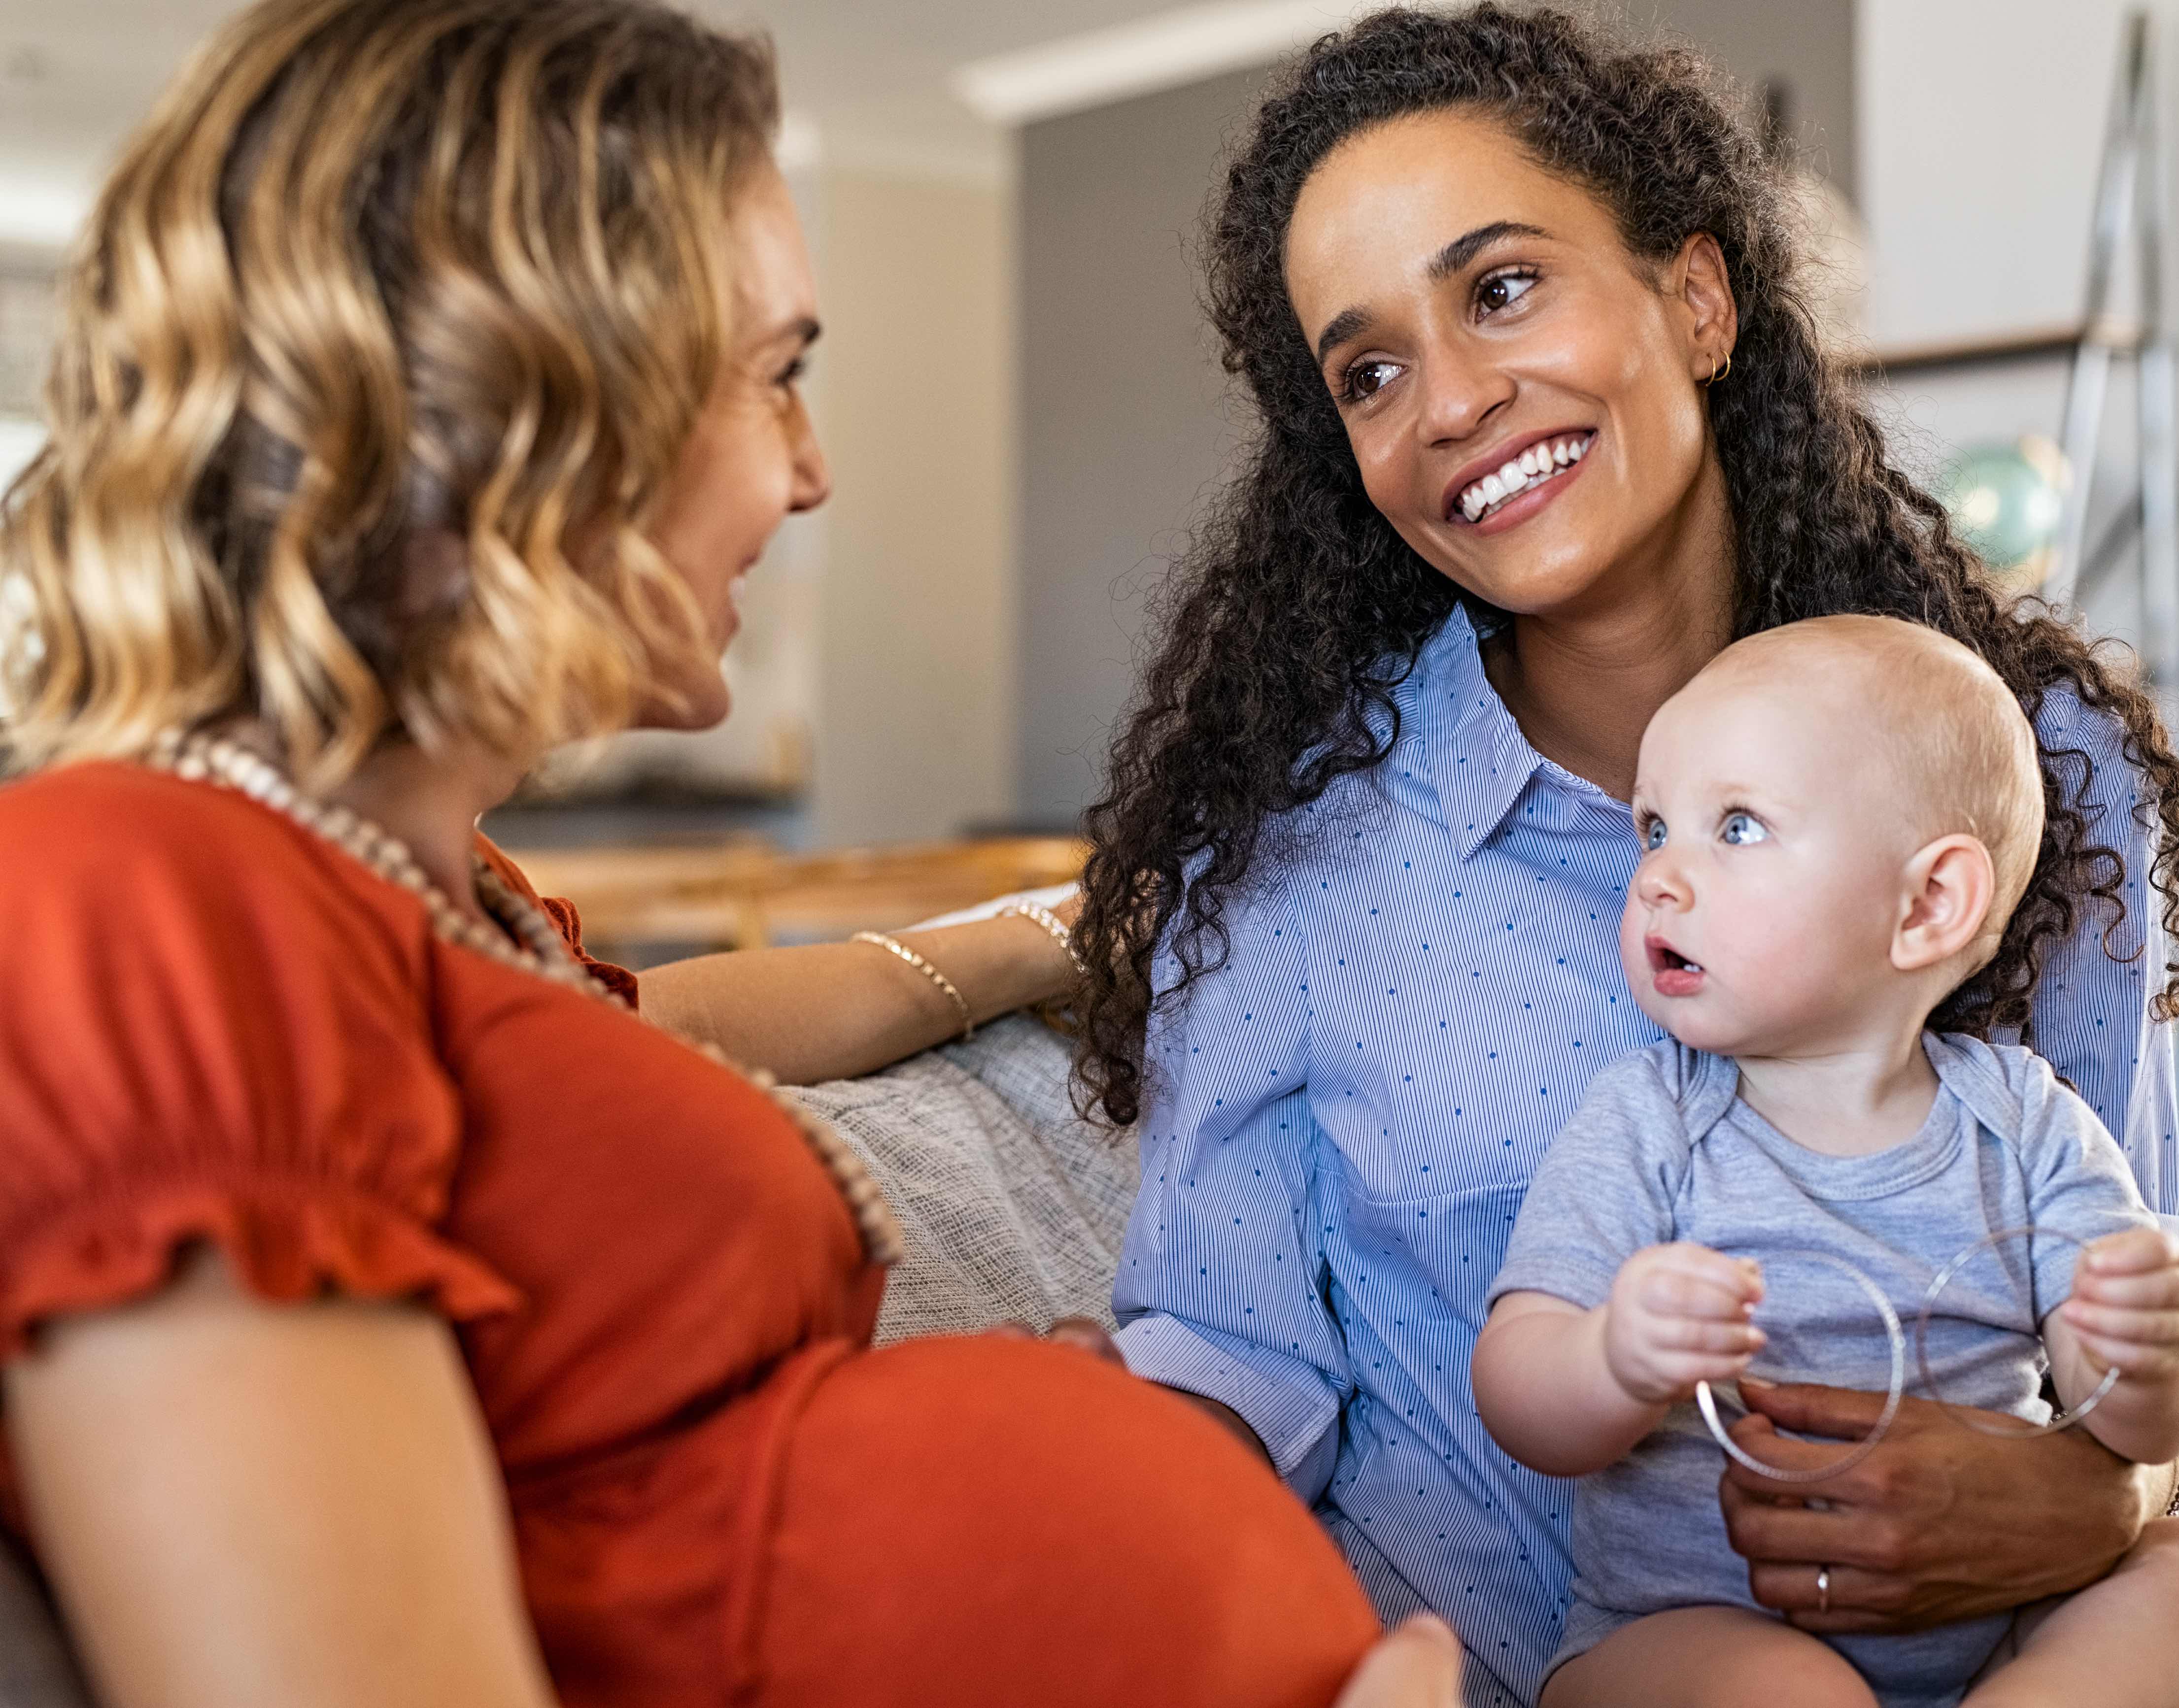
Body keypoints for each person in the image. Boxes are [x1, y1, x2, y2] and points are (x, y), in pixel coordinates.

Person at [0, 2, 1462, 1704]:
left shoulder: (400, 898)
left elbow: (658, 1035)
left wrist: (1042, 938)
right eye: (777, 373)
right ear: (525, 393)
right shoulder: (142, 901)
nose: (817, 469)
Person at [1073, 8, 2179, 1704]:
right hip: (1561, 1666)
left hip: (2002, 1659)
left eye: (1505, 286)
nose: (1452, 396)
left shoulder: (2039, 770)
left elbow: (2136, 1294)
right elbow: (1227, 1368)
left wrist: (2100, 1483)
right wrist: (1059, 1462)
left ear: (1697, 297)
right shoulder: (1290, 872)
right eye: (1370, 368)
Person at [1471, 616, 2179, 1707]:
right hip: (1686, 1638)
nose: (1659, 876)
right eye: (1653, 828)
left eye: (1737, 827)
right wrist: (1612, 1357)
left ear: (1926, 904)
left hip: (1989, 1630)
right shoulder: (1648, 1121)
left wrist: (2152, 1350)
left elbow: (2136, 1425)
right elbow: (1514, 1393)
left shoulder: (2024, 1124)